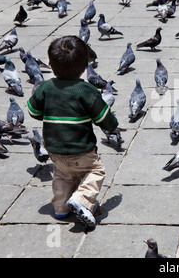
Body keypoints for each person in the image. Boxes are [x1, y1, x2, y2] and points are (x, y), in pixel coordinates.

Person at [27, 35, 119, 229]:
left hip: (55, 150)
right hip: (82, 150)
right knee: (95, 171)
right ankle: (82, 200)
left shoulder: (45, 87)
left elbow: (33, 111)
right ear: (85, 66)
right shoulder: (86, 90)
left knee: (62, 175)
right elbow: (104, 118)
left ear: (51, 64)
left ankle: (60, 207)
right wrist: (112, 127)